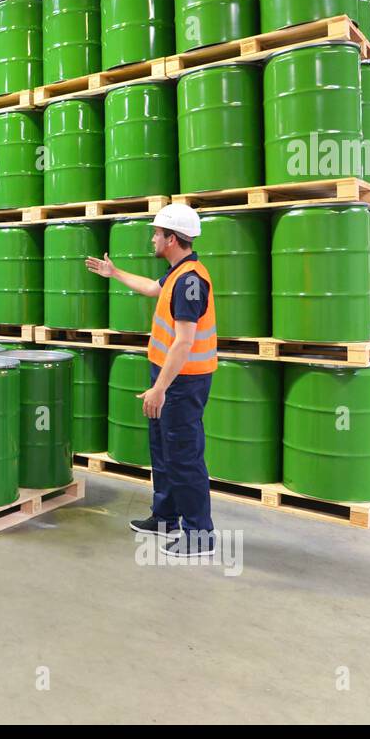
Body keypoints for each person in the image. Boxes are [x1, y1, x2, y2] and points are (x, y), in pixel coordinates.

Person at [85, 203, 218, 558]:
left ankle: (199, 533)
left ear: (172, 239)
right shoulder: (176, 274)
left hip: (183, 381)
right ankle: (166, 517)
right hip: (167, 375)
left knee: (185, 455)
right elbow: (149, 288)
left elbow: (185, 341)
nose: (153, 238)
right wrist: (114, 273)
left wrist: (160, 389)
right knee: (164, 449)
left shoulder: (190, 281)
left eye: (158, 233)